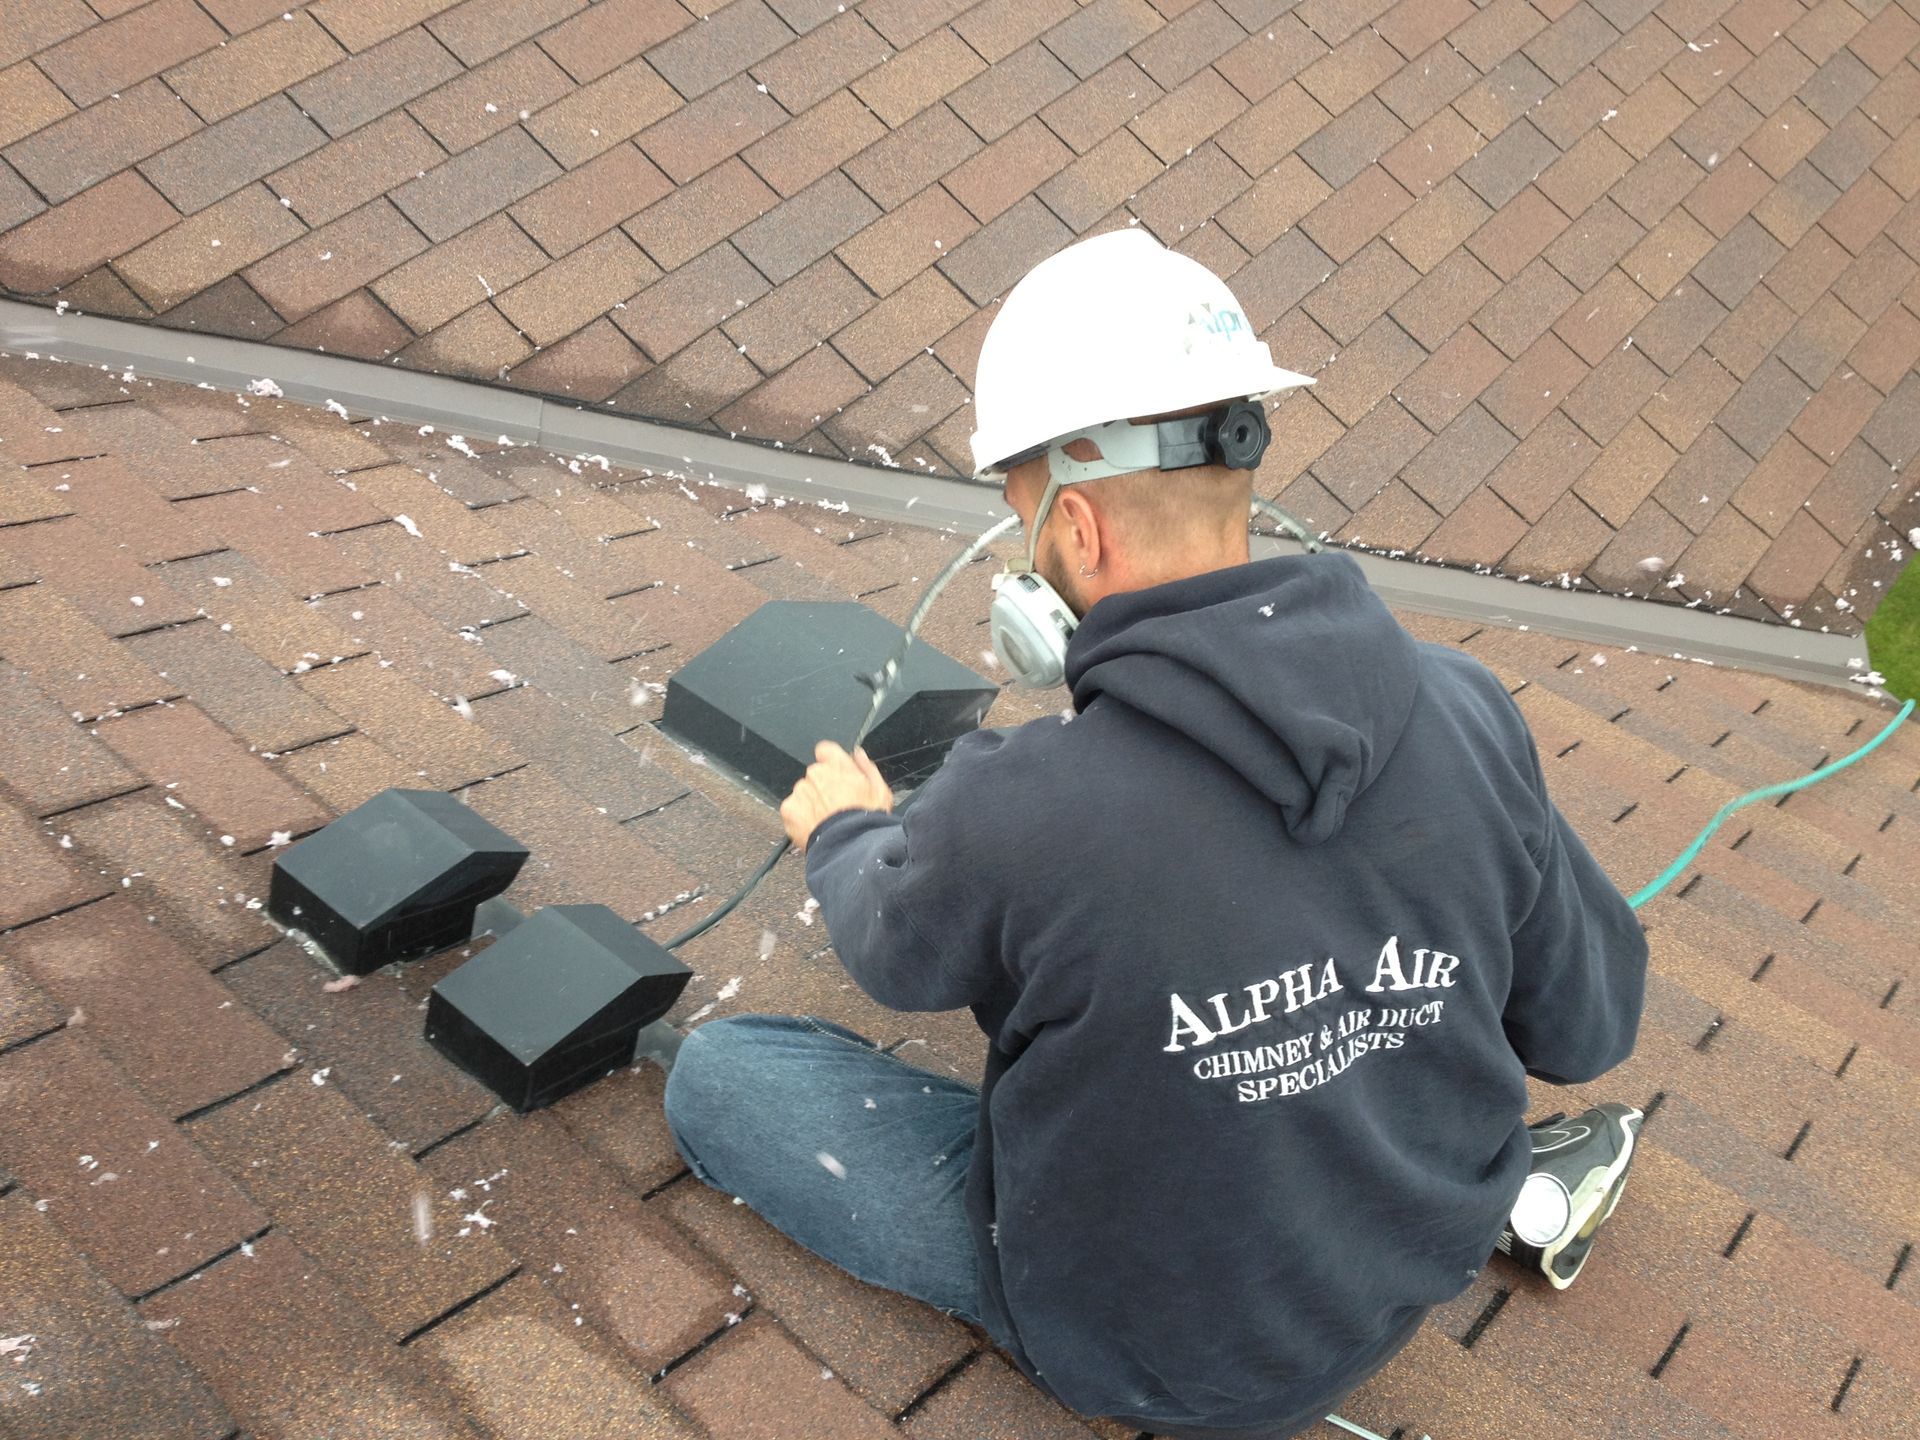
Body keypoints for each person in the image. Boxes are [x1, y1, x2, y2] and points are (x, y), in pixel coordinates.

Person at [662, 229, 1650, 1440]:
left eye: (1018, 517)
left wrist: (844, 834)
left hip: (1142, 1354)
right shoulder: (1463, 706)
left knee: (725, 1078)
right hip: (1396, 1275)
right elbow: (1590, 1022)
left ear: (1076, 532)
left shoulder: (1021, 805)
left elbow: (892, 947)